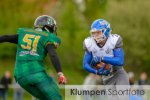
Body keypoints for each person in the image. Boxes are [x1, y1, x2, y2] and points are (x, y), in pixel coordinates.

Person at [0, 15, 66, 100]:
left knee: (46, 98)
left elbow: (5, 37)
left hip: (21, 77)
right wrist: (60, 73)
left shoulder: (24, 34)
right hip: (36, 74)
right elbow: (53, 54)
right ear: (47, 27)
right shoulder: (47, 37)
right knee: (56, 98)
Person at [83, 19, 129, 100]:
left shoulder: (114, 40)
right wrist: (96, 72)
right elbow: (85, 64)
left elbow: (120, 61)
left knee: (123, 97)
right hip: (106, 76)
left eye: (98, 32)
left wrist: (102, 58)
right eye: (94, 33)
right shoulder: (89, 43)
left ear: (106, 31)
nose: (96, 35)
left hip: (118, 73)